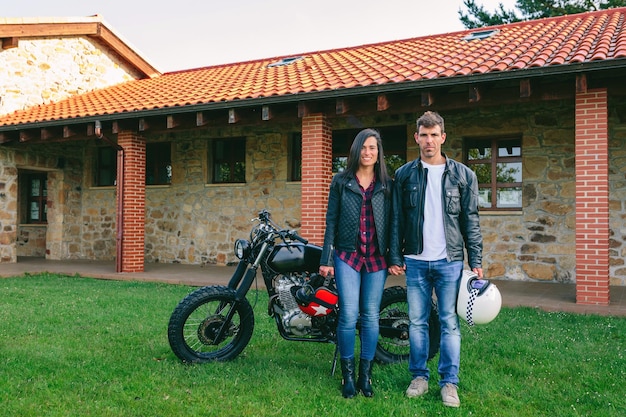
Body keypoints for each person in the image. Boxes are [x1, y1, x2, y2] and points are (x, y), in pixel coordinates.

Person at [388, 111, 483, 408]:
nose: (429, 141)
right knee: (416, 322)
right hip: (415, 260)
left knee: (448, 322)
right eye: (424, 135)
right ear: (416, 138)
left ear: (443, 137)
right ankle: (419, 376)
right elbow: (396, 221)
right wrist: (395, 254)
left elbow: (471, 220)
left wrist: (476, 257)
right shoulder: (404, 175)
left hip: (450, 261)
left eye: (434, 135)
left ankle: (449, 383)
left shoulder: (463, 175)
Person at [319, 128, 392, 399]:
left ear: (378, 152)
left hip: (376, 258)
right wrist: (326, 259)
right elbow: (331, 221)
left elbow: (394, 224)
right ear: (356, 150)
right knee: (349, 315)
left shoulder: (387, 184)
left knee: (371, 315)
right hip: (347, 256)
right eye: (363, 147)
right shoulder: (341, 182)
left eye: (372, 147)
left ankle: (366, 375)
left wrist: (395, 257)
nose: (368, 152)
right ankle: (348, 376)